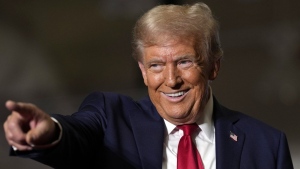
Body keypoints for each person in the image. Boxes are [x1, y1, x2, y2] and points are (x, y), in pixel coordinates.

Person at [3, 2, 294, 169]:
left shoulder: (266, 145)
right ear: (143, 72)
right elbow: (75, 135)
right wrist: (49, 133)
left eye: (184, 62)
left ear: (213, 66)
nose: (171, 80)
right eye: (156, 65)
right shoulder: (111, 119)